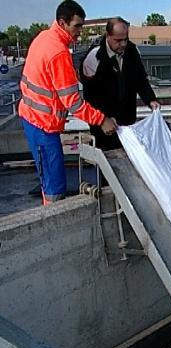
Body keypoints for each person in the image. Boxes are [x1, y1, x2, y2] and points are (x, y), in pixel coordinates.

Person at [19, 0, 118, 205]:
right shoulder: (59, 53)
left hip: (33, 119)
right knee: (54, 188)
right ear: (62, 23)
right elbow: (73, 103)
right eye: (77, 26)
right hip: (42, 125)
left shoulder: (44, 38)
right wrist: (102, 119)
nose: (80, 32)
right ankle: (54, 229)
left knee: (50, 182)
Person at [80, 17, 159, 151]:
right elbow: (91, 96)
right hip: (103, 126)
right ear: (108, 35)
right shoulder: (94, 57)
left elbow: (140, 79)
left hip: (126, 121)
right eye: (118, 40)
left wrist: (150, 100)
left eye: (125, 39)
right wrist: (103, 120)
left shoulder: (132, 51)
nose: (123, 44)